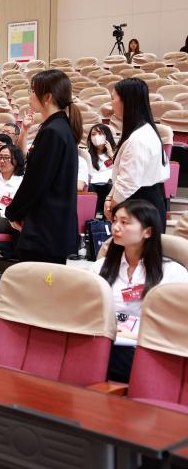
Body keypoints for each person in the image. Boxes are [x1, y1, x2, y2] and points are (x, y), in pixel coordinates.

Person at [95, 199, 188, 382]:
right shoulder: (100, 267)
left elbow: (177, 324)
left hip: (148, 346)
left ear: (148, 231)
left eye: (125, 222)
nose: (115, 227)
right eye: (114, 220)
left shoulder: (172, 273)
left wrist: (137, 336)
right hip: (105, 339)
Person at [5, 70, 82, 264]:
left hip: (45, 228)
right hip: (50, 227)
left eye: (33, 91)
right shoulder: (58, 127)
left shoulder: (53, 131)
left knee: (41, 281)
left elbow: (36, 181)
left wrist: (13, 211)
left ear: (47, 97)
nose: (30, 95)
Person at [105, 78, 169, 231]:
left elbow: (128, 182)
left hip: (141, 206)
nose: (111, 103)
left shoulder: (139, 138)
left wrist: (112, 207)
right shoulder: (141, 131)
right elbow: (123, 176)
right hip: (141, 201)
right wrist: (109, 197)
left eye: (113, 98)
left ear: (126, 101)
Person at [84, 123, 116, 215]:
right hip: (92, 184)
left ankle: (107, 216)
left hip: (109, 184)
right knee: (90, 188)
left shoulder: (116, 152)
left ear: (107, 136)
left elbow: (121, 169)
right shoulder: (86, 154)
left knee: (110, 187)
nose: (96, 137)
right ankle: (92, 216)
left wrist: (111, 154)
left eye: (100, 134)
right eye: (93, 134)